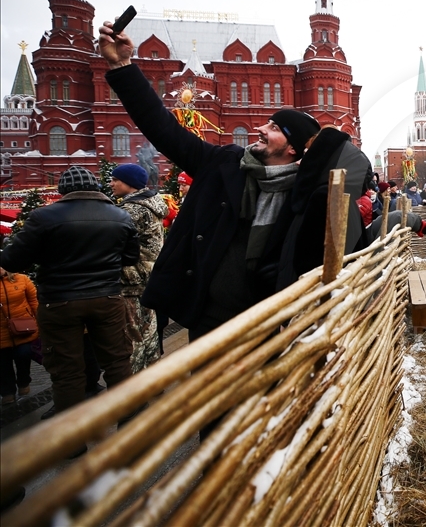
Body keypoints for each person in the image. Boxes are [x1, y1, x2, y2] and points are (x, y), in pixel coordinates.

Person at [99, 23, 371, 340]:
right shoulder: (222, 164)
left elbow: (351, 177)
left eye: (274, 128)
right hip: (207, 318)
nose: (260, 129)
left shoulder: (301, 195)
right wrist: (122, 67)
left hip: (264, 321)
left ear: (292, 148)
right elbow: (162, 129)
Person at [0, 166, 138, 422]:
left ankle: (72, 440)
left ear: (63, 189)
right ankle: (129, 425)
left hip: (59, 302)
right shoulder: (120, 216)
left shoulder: (43, 217)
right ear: (95, 187)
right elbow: (130, 257)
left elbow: (13, 260)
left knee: (67, 371)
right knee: (118, 362)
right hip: (107, 298)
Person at [110, 164, 166, 373]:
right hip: (150, 273)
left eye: (116, 179)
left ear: (129, 183)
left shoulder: (132, 210)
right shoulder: (151, 204)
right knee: (149, 330)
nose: (112, 183)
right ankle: (153, 378)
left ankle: (135, 386)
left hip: (133, 276)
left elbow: (116, 244)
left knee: (132, 334)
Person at [0, 268, 38, 405]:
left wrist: (40, 321)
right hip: (1, 332)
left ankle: (24, 382)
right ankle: (7, 391)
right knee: (3, 364)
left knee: (24, 355)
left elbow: (34, 301)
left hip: (24, 328)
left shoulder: (22, 279)